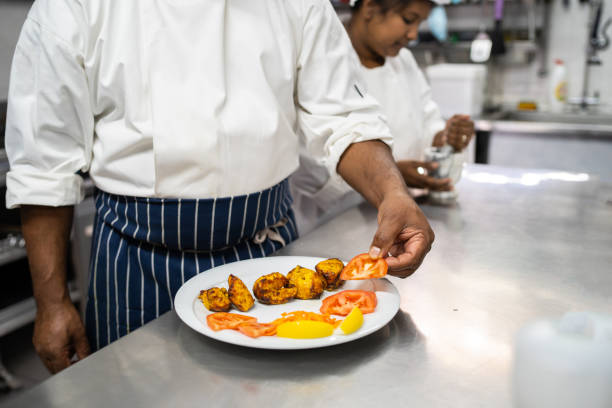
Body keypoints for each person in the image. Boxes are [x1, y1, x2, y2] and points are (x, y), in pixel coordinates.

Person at [5, 0, 434, 373]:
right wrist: (52, 303)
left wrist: (392, 193)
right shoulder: (73, 6)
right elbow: (45, 163)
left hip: (266, 251)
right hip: (136, 261)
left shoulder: (300, 5)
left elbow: (345, 117)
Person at [290, 0, 475, 235]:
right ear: (369, 8)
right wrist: (391, 178)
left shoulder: (404, 61)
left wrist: (446, 138)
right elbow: (309, 162)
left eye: (420, 23)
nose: (413, 34)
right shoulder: (320, 63)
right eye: (408, 19)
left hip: (406, 216)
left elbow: (428, 125)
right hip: (333, 224)